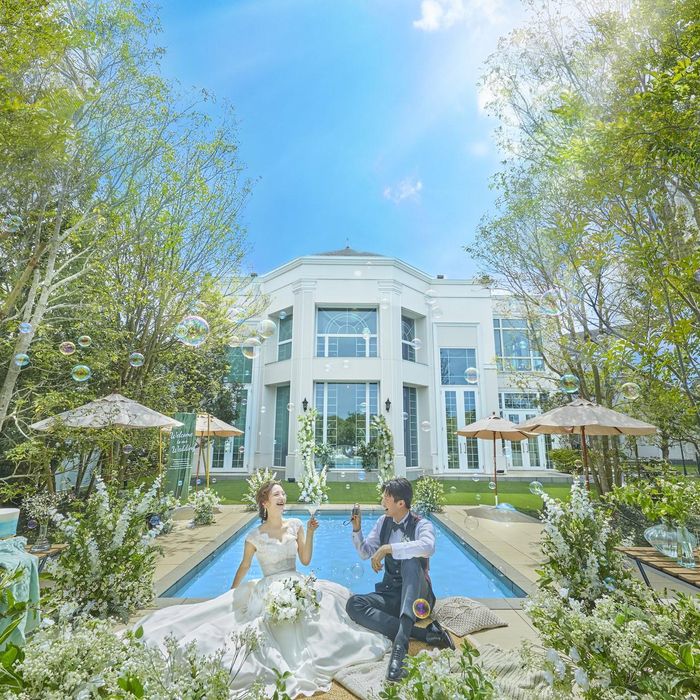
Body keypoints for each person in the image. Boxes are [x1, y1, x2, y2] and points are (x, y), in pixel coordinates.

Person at [137, 481, 389, 697]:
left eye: (283, 493)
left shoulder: (296, 525)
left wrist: (311, 532)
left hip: (297, 583)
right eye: (277, 494)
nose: (283, 497)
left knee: (327, 617)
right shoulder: (254, 536)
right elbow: (245, 566)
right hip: (269, 588)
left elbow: (305, 560)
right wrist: (231, 593)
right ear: (265, 502)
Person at [347, 477, 454, 682]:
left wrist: (389, 548)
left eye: (386, 498)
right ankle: (425, 634)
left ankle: (400, 649)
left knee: (410, 562)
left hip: (419, 597)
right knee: (354, 604)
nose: (382, 501)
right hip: (393, 594)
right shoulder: (383, 522)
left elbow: (428, 547)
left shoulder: (422, 524)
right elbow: (365, 552)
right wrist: (357, 530)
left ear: (401, 503)